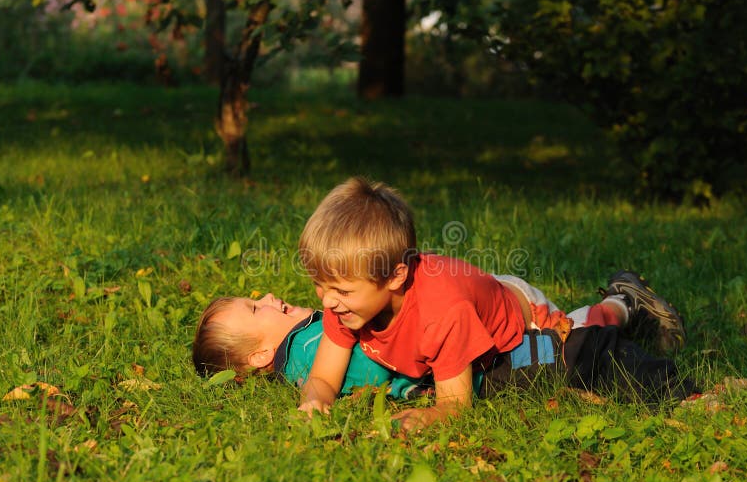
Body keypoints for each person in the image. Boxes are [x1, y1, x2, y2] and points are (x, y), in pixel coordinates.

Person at [296, 177, 696, 430]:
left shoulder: (441, 313)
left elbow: (455, 405)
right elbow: (324, 378)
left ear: (396, 278)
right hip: (476, 298)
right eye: (320, 285)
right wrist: (314, 399)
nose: (327, 301)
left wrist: (428, 418)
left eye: (341, 291)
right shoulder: (345, 302)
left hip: (520, 321)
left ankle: (625, 301)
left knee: (578, 341)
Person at [193, 293, 424, 399]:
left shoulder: (300, 355)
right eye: (255, 308)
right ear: (261, 355)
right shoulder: (306, 345)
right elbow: (369, 369)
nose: (268, 296)